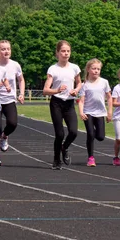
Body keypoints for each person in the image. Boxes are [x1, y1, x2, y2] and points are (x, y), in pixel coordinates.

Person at [43, 40, 83, 170]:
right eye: (63, 51)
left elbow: (79, 83)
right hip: (56, 103)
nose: (66, 54)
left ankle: (64, 147)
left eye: (68, 51)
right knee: (59, 134)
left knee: (73, 132)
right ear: (58, 53)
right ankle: (56, 160)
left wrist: (76, 90)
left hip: (69, 103)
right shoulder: (53, 69)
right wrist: (57, 90)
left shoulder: (74, 68)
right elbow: (45, 90)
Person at [78, 58, 112, 167]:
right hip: (88, 112)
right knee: (90, 134)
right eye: (94, 68)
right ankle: (91, 158)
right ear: (88, 69)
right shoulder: (85, 85)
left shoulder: (104, 82)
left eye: (98, 69)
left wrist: (110, 112)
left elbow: (109, 97)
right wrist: (81, 112)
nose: (96, 71)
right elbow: (81, 101)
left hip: (100, 112)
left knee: (101, 137)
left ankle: (95, 134)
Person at [0, 40, 25, 152]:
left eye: (8, 49)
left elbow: (21, 80)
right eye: (3, 49)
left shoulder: (15, 65)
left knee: (12, 124)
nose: (6, 51)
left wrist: (21, 94)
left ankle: (4, 136)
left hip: (9, 99)